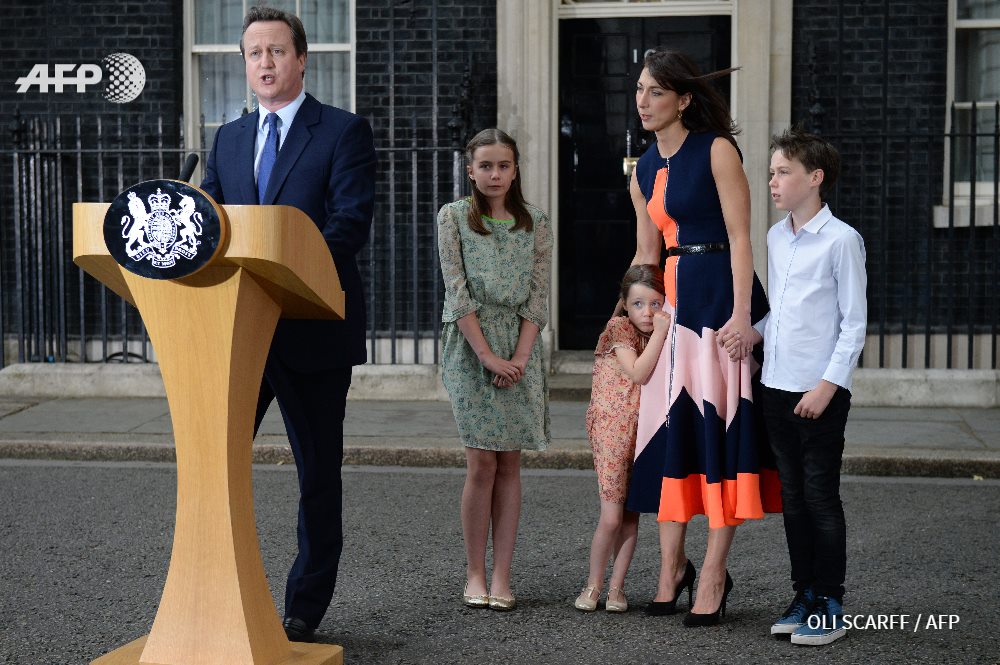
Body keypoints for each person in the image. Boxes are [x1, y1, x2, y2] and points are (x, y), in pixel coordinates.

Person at [200, 5, 376, 643]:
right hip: (237, 333)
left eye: (277, 51)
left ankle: (304, 607)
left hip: (312, 329)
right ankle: (220, 588)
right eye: (255, 53)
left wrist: (283, 277)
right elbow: (206, 231)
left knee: (315, 477)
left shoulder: (343, 132)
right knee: (215, 471)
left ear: (302, 59)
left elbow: (348, 225)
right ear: (245, 64)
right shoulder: (226, 138)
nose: (266, 63)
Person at [624, 49, 780, 627]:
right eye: (639, 89)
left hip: (718, 302)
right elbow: (646, 253)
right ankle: (672, 569)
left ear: (683, 99)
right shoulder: (641, 168)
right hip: (670, 310)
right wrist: (627, 315)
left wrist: (742, 316)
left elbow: (742, 239)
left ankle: (713, 575)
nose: (642, 101)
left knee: (717, 434)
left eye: (655, 92)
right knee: (671, 435)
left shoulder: (716, 150)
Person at [726, 128, 865, 645]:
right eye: (770, 173)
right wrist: (750, 333)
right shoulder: (776, 237)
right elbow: (781, 314)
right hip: (776, 388)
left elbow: (853, 324)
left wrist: (828, 387)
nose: (772, 182)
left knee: (821, 496)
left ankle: (830, 600)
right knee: (794, 499)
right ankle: (803, 591)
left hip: (819, 392)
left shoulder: (842, 240)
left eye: (783, 172)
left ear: (815, 177)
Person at [437, 128, 552, 612]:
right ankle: (475, 573)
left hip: (520, 345)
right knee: (481, 461)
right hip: (471, 345)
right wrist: (487, 356)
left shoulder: (536, 223)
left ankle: (503, 575)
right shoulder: (454, 218)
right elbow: (456, 291)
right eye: (485, 166)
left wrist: (521, 358)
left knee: (509, 461)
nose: (494, 174)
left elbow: (538, 293)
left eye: (503, 165)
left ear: (515, 169)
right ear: (470, 170)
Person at [575, 265, 670, 614]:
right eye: (638, 304)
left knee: (632, 515)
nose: (647, 312)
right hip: (612, 429)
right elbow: (638, 373)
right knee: (612, 516)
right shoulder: (619, 328)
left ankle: (617, 588)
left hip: (643, 430)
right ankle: (593, 584)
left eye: (655, 304)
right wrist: (660, 334)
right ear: (625, 305)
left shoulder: (658, 330)